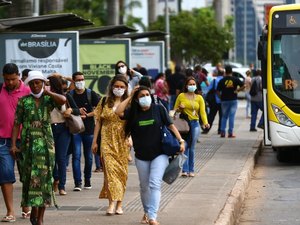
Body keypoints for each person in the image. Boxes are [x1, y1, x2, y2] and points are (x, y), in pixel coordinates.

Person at [115, 86, 185, 225]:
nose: (145, 97)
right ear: (136, 99)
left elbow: (171, 126)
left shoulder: (158, 109)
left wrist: (181, 140)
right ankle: (147, 212)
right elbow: (118, 111)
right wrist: (131, 96)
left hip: (160, 153)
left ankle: (152, 216)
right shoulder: (133, 112)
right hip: (141, 155)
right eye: (141, 96)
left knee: (154, 183)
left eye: (147, 94)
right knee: (144, 186)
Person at [10, 70, 66, 225]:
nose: (35, 86)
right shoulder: (23, 101)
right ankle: (33, 212)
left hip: (46, 146)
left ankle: (40, 218)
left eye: (38, 82)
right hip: (28, 146)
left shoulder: (48, 99)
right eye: (32, 83)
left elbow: (63, 100)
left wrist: (48, 92)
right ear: (28, 85)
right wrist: (14, 145)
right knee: (30, 180)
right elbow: (16, 124)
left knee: (45, 180)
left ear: (43, 83)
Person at [92, 75, 129, 215]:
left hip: (122, 141)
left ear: (125, 88)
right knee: (109, 173)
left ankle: (120, 204)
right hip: (106, 140)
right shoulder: (104, 101)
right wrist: (94, 141)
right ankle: (111, 203)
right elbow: (98, 123)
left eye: (122, 87)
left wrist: (130, 138)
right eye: (116, 86)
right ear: (111, 87)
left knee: (121, 173)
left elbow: (131, 122)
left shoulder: (128, 103)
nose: (118, 89)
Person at [0, 63, 31, 222]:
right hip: (3, 141)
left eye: (12, 79)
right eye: (7, 80)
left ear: (18, 76)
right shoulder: (0, 89)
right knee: (5, 174)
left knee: (27, 174)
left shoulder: (28, 91)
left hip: (25, 139)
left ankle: (26, 205)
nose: (10, 83)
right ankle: (10, 211)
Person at [48, 75, 80, 196]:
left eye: (49, 84)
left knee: (61, 158)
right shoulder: (45, 97)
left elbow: (77, 110)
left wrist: (70, 110)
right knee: (51, 158)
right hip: (49, 129)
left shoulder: (66, 97)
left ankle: (62, 185)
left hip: (63, 129)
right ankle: (55, 178)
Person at [174, 76, 210, 177]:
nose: (192, 86)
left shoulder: (199, 98)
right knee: (185, 146)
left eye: (194, 84)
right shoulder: (181, 96)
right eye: (190, 84)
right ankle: (184, 170)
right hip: (184, 125)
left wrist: (205, 122)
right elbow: (174, 110)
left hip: (195, 124)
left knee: (192, 147)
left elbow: (202, 112)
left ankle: (191, 169)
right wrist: (179, 108)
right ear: (186, 85)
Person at [70, 71, 100, 191]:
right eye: (78, 80)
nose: (80, 82)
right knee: (76, 156)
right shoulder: (70, 95)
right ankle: (78, 182)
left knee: (89, 156)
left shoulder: (90, 94)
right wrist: (76, 111)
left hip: (89, 129)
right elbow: (66, 110)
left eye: (82, 79)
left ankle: (87, 180)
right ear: (73, 81)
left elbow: (99, 110)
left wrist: (87, 115)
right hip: (75, 129)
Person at [217, 65, 245, 138]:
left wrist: (220, 97)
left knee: (224, 116)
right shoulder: (235, 79)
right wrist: (237, 90)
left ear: (225, 72)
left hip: (224, 100)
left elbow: (217, 91)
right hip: (233, 99)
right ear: (231, 71)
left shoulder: (222, 80)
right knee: (231, 116)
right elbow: (243, 85)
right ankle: (230, 133)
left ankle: (222, 132)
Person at [202, 69, 224, 134]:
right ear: (223, 74)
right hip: (222, 101)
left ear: (217, 74)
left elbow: (209, 89)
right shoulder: (224, 81)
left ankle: (206, 129)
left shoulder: (214, 80)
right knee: (222, 116)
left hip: (214, 101)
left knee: (211, 116)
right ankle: (220, 130)